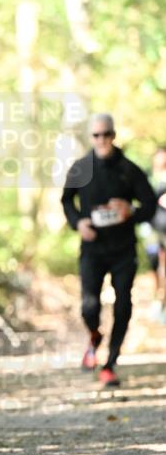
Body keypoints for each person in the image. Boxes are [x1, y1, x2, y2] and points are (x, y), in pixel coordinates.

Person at [61, 113, 157, 387]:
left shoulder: (129, 169)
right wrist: (79, 223)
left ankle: (110, 363)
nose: (102, 140)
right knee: (89, 306)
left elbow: (149, 205)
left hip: (123, 249)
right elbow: (67, 200)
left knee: (123, 304)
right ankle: (94, 337)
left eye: (106, 135)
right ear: (90, 138)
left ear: (114, 136)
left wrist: (131, 211)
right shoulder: (80, 168)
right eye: (96, 135)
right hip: (92, 248)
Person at [143, 146, 166, 322]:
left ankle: (162, 303)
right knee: (154, 267)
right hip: (150, 230)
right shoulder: (148, 178)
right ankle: (156, 301)